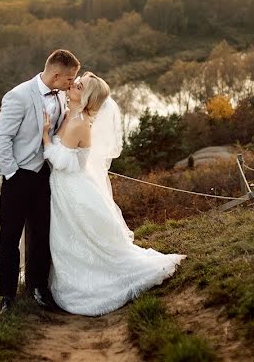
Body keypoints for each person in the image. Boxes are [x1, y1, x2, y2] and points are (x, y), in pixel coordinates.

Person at [41, 72, 184, 316]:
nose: (73, 85)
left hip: (73, 190)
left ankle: (96, 282)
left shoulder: (79, 123)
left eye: (79, 85)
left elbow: (60, 160)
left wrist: (45, 134)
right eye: (76, 83)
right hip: (64, 189)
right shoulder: (69, 115)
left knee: (81, 238)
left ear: (85, 97)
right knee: (68, 240)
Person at [0, 49, 80, 315]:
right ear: (57, 74)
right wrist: (13, 174)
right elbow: (1, 139)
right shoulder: (17, 96)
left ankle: (39, 289)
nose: (72, 83)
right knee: (10, 238)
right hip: (18, 177)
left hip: (45, 177)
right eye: (70, 79)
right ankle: (7, 296)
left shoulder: (62, 96)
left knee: (42, 235)